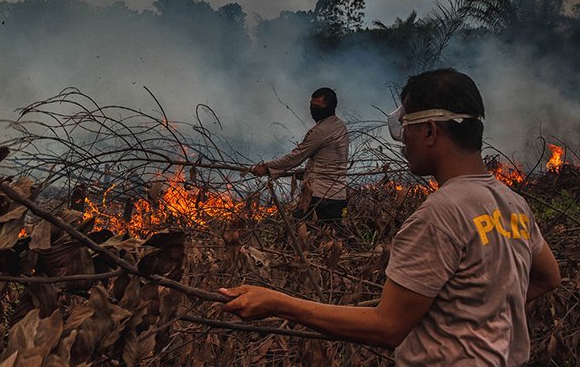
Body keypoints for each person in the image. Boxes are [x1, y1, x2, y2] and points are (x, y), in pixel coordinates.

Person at [221, 69, 561, 365]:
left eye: (407, 129)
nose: (403, 143)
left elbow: (387, 326)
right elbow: (548, 277)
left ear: (429, 132)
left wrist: (277, 302)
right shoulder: (513, 202)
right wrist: (482, 311)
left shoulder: (439, 216)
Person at [251, 87, 349, 224]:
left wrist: (266, 167)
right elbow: (331, 161)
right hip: (337, 195)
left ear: (330, 107)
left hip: (320, 197)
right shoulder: (340, 126)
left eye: (317, 107)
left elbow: (295, 157)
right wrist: (307, 172)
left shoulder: (320, 131)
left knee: (298, 232)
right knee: (330, 236)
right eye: (311, 105)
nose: (312, 109)